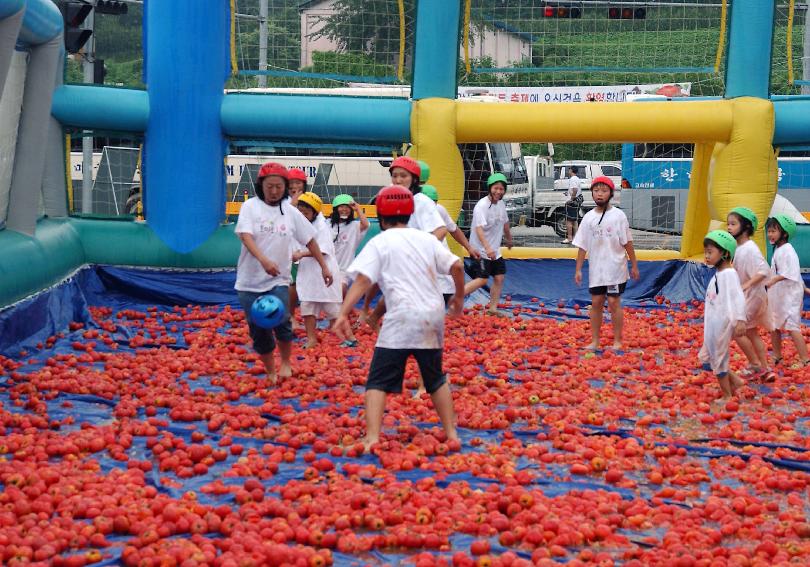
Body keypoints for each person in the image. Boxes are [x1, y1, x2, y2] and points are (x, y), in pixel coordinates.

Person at [334, 185, 464, 453]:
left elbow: (363, 280)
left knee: (377, 381)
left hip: (402, 317)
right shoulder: (426, 239)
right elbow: (458, 266)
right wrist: (459, 297)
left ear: (381, 217)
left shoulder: (380, 242)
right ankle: (451, 434)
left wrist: (343, 312)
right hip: (432, 316)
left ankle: (372, 438)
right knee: (435, 378)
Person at [234, 162, 333, 383]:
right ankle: (270, 370)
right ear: (261, 186)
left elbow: (310, 239)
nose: (275, 191)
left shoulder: (290, 211)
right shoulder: (250, 207)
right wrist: (263, 259)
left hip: (278, 279)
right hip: (249, 282)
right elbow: (245, 236)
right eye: (270, 186)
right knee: (259, 329)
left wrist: (324, 267)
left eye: (279, 186)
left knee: (282, 321)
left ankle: (286, 363)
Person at [359, 156, 446, 330]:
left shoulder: (422, 202)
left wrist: (420, 250)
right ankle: (367, 311)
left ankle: (379, 318)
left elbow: (441, 230)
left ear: (414, 178)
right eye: (395, 176)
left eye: (403, 176)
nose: (398, 180)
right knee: (378, 280)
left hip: (414, 258)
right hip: (394, 249)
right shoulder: (390, 196)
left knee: (397, 290)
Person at [573, 176, 639, 350]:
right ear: (592, 193)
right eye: (596, 191)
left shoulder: (618, 216)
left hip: (615, 269)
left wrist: (634, 265)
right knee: (596, 303)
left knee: (613, 302)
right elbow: (582, 245)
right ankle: (595, 340)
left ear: (610, 193)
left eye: (603, 191)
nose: (599, 194)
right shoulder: (588, 218)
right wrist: (578, 269)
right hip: (597, 271)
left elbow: (628, 242)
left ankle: (617, 340)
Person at [293, 192, 351, 348]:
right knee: (307, 305)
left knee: (332, 307)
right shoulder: (298, 224)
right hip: (308, 272)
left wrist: (300, 254)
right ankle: (312, 339)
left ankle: (345, 338)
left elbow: (322, 250)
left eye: (306, 212)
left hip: (324, 270)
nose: (302, 215)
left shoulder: (321, 227)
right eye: (300, 211)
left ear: (314, 212)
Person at [726, 207, 774, 381]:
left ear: (745, 227)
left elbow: (763, 271)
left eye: (733, 224)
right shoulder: (739, 248)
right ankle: (765, 369)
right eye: (728, 224)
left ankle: (755, 365)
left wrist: (746, 285)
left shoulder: (750, 248)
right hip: (751, 295)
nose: (729, 228)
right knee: (752, 332)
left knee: (735, 329)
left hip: (754, 295)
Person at [699, 230, 747, 399]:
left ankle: (727, 395)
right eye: (706, 252)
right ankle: (736, 382)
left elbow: (738, 298)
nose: (706, 256)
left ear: (725, 253)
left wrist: (740, 319)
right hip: (712, 323)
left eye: (710, 252)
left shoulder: (729, 275)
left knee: (718, 360)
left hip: (721, 325)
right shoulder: (719, 274)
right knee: (706, 359)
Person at [421, 184, 481, 305]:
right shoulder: (412, 216)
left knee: (447, 297)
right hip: (422, 266)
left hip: (441, 265)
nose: (432, 207)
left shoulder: (439, 210)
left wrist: (469, 247)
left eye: (434, 203)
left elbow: (453, 229)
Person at [464, 173, 513, 316]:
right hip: (480, 250)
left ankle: (492, 308)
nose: (498, 191)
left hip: (494, 250)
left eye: (501, 189)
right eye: (495, 188)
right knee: (482, 279)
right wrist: (487, 248)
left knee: (499, 277)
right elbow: (479, 229)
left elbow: (505, 222)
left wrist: (509, 238)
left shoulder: (501, 204)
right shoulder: (481, 206)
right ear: (489, 188)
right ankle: (455, 299)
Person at [765, 215, 809, 368]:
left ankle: (805, 359)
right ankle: (777, 356)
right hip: (779, 295)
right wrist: (805, 287)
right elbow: (793, 273)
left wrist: (773, 280)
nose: (770, 234)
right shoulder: (778, 249)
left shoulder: (788, 250)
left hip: (790, 296)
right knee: (775, 325)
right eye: (769, 231)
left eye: (773, 231)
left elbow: (790, 272)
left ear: (784, 233)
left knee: (792, 327)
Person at [330, 194, 370, 298]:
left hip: (344, 269)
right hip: (327, 267)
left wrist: (358, 209)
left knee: (341, 288)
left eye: (347, 207)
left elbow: (365, 224)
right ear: (335, 209)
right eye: (341, 206)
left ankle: (344, 310)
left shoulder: (354, 226)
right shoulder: (327, 224)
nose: (344, 209)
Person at [286, 168, 307, 331]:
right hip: (289, 251)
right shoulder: (284, 201)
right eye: (291, 183)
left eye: (298, 183)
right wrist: (294, 201)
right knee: (292, 285)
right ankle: (290, 316)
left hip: (304, 250)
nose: (294, 186)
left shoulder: (309, 200)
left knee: (301, 286)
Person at [563, 166, 583, 244]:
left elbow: (575, 189)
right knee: (574, 220)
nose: (568, 171)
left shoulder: (573, 179)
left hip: (572, 202)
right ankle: (575, 238)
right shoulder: (577, 178)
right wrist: (568, 193)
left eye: (569, 169)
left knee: (569, 220)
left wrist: (571, 199)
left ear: (571, 170)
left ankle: (569, 238)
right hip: (577, 200)